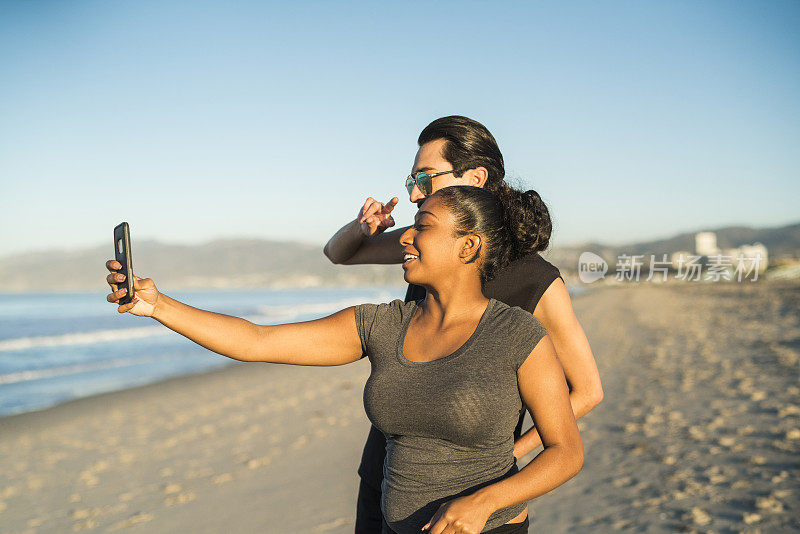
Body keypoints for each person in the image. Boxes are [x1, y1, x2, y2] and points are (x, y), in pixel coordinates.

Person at [105, 185, 584, 534]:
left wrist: (483, 503)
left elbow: (566, 452)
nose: (405, 238)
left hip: (491, 529)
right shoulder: (382, 324)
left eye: (423, 227)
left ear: (469, 246)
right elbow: (257, 341)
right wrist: (158, 305)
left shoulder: (517, 334)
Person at [324, 115, 603, 533]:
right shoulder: (423, 241)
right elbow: (341, 253)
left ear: (475, 176)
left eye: (426, 177)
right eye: (410, 181)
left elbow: (587, 390)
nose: (416, 193)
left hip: (471, 495)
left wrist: (511, 456)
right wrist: (361, 227)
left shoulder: (536, 279)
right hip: (387, 468)